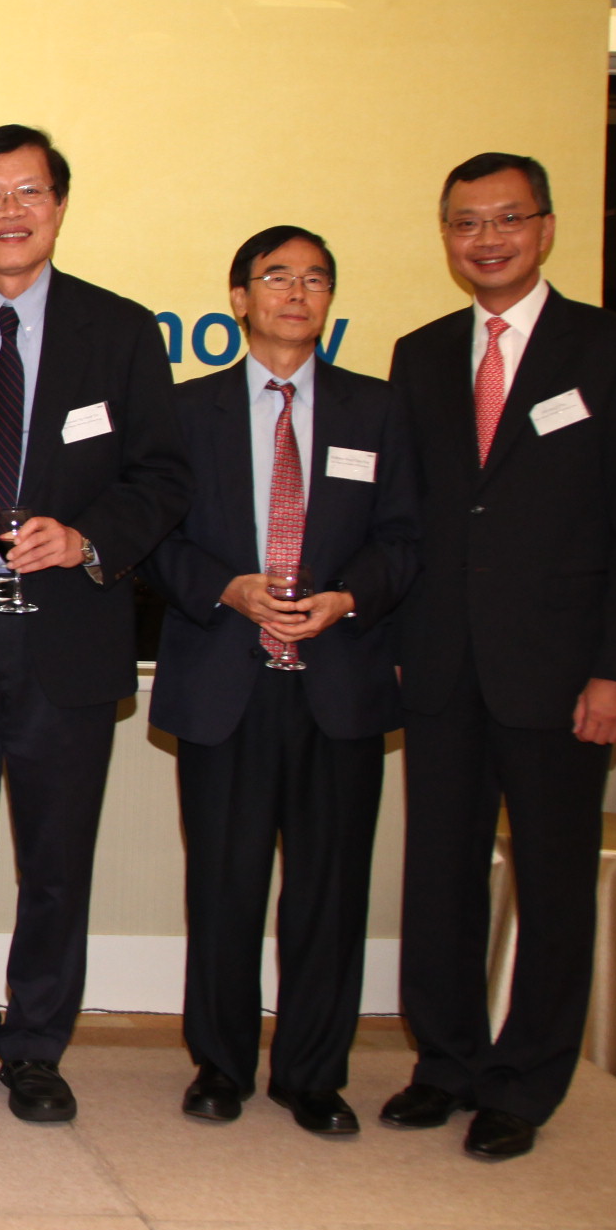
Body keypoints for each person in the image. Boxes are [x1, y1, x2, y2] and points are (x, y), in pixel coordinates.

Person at [0, 124, 189, 1126]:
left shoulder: (120, 331)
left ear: (59, 207)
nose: (8, 211)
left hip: (67, 628)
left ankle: (36, 1046)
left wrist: (89, 535)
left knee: (57, 857)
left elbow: (163, 477)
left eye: (27, 193)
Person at [381, 152, 616, 1161]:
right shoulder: (420, 355)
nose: (487, 238)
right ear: (447, 235)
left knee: (552, 880)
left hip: (563, 672)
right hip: (442, 665)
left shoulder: (615, 349)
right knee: (441, 872)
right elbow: (409, 520)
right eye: (466, 222)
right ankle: (445, 1060)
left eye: (507, 218)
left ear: (546, 228)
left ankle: (526, 1078)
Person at [142, 226, 417, 1137]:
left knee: (329, 894)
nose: (296, 293)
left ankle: (312, 1073)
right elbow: (154, 540)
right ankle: (218, 1066)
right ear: (238, 298)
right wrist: (226, 587)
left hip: (339, 685)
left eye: (315, 279)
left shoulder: (379, 411)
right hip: (227, 682)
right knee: (223, 887)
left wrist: (348, 598)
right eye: (276, 278)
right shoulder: (185, 413)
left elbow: (408, 540)